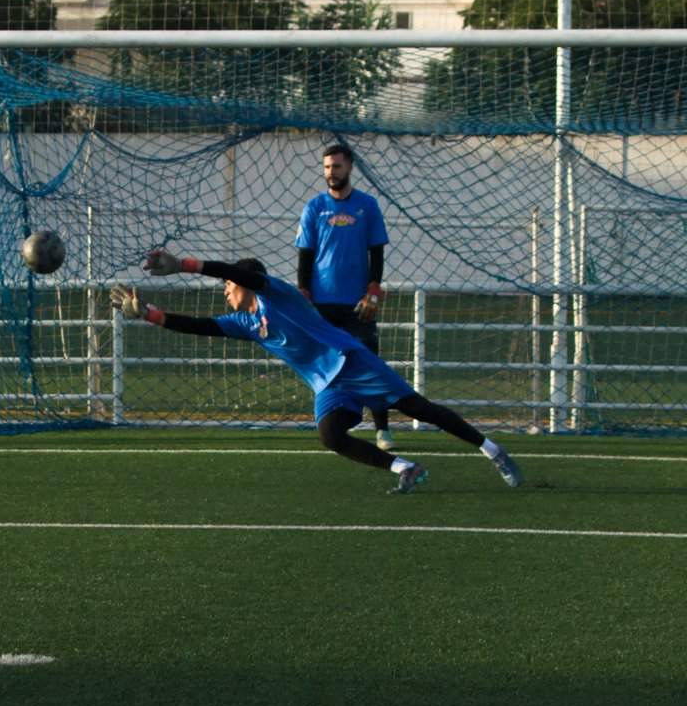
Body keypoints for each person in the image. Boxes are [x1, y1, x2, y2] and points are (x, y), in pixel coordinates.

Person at [111, 250, 521, 494]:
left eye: (230, 285)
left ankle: (493, 451)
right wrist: (147, 313)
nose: (225, 290)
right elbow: (199, 326)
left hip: (351, 361)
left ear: (249, 284)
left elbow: (238, 273)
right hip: (328, 385)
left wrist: (182, 263)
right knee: (329, 435)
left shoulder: (280, 296)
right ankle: (405, 468)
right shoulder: (246, 323)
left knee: (420, 408)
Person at [295, 143, 395, 450]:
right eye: (326, 167)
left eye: (336, 166)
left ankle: (382, 431)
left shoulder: (368, 205)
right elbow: (305, 255)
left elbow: (375, 252)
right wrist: (305, 295)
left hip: (358, 305)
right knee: (327, 365)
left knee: (369, 362)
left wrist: (374, 289)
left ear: (349, 167)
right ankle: (333, 425)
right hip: (323, 305)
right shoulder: (314, 207)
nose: (331, 172)